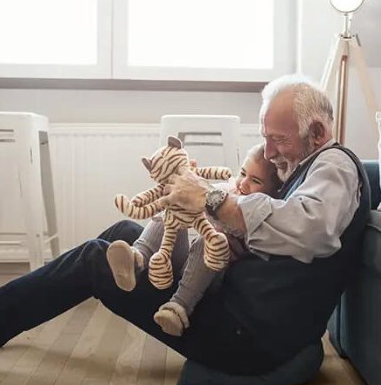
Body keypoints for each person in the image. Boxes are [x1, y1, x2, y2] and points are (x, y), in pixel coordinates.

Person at [0, 74, 370, 376]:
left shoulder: (335, 165)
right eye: (265, 138)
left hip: (247, 334)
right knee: (122, 235)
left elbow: (312, 229)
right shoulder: (304, 164)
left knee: (95, 262)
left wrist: (210, 200)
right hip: (236, 305)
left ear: (318, 133)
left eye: (278, 140)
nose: (268, 153)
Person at [106, 143, 281, 337]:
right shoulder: (230, 190)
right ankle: (136, 258)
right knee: (172, 212)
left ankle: (178, 308)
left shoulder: (258, 215)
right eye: (242, 173)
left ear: (271, 193)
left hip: (208, 280)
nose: (243, 183)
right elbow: (204, 192)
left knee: (209, 241)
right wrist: (188, 185)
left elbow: (234, 225)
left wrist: (214, 212)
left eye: (255, 180)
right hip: (187, 266)